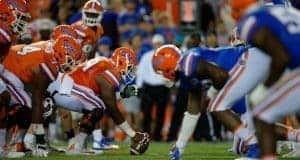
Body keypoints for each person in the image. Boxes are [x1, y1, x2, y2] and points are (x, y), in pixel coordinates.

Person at [46, 47, 150, 155]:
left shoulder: (105, 63)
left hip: (63, 85)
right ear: (122, 62)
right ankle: (77, 146)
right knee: (98, 108)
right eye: (130, 67)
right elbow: (112, 109)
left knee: (97, 107)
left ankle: (76, 146)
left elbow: (103, 97)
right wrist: (133, 135)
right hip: (68, 88)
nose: (131, 71)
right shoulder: (111, 72)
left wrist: (122, 94)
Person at [230, 0, 300, 159]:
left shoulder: (253, 19)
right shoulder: (285, 7)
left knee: (261, 111)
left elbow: (281, 57)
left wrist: (266, 87)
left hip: (292, 65)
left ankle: (261, 152)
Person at [1, 35, 83, 158]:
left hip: (13, 66)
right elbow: (37, 100)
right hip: (7, 69)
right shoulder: (47, 67)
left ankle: (21, 142)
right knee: (26, 106)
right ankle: (12, 144)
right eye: (70, 61)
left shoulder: (51, 48)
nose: (72, 66)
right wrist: (39, 138)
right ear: (60, 55)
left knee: (40, 104)